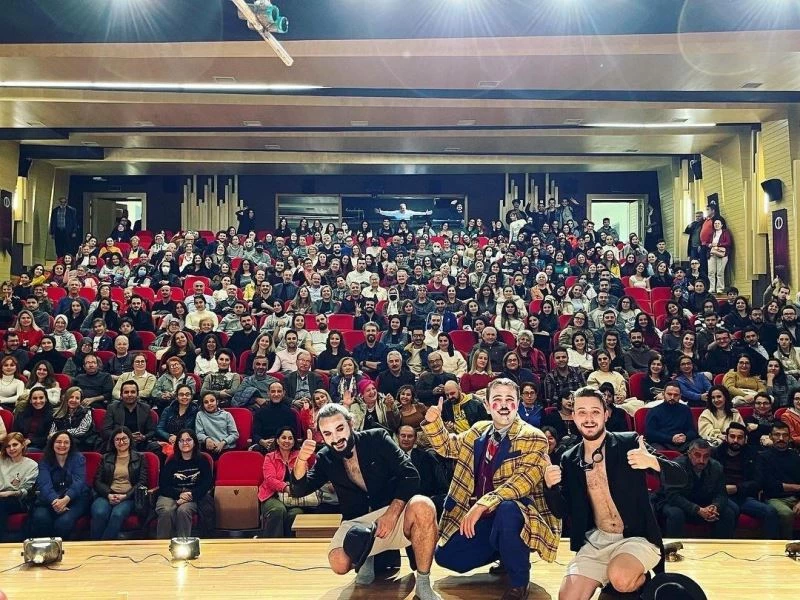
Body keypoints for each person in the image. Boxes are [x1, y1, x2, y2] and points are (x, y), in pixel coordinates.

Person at [423, 377, 559, 600]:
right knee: (445, 557)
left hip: (520, 514)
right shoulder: (478, 430)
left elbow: (521, 483)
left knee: (507, 509)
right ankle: (505, 553)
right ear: (486, 405)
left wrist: (481, 504)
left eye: (509, 399)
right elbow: (448, 447)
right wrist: (433, 423)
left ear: (518, 404)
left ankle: (519, 581)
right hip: (486, 518)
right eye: (497, 399)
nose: (504, 404)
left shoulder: (534, 437)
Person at [543, 387, 686, 599]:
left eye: (595, 412)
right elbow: (562, 511)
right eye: (582, 412)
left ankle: (638, 581)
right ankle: (614, 580)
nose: (588, 419)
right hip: (596, 540)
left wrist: (652, 462)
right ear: (573, 416)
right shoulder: (569, 458)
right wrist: (550, 487)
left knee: (621, 579)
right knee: (568, 597)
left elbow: (681, 477)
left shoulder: (629, 442)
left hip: (636, 537)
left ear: (606, 414)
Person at [290, 404, 442, 600]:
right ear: (322, 436)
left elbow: (410, 475)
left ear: (351, 424)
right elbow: (299, 490)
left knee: (424, 505)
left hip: (392, 514)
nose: (336, 438)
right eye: (327, 433)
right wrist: (301, 460)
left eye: (340, 428)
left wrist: (392, 514)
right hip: (357, 523)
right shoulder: (325, 457)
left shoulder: (377, 438)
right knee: (338, 563)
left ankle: (423, 584)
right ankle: (366, 555)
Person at [658, 438, 739, 539]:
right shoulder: (675, 467)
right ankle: (673, 547)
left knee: (728, 513)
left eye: (706, 456)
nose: (701, 460)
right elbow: (672, 496)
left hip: (703, 502)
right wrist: (697, 509)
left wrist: (715, 506)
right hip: (678, 503)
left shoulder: (716, 467)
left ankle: (720, 547)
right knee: (675, 514)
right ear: (689, 454)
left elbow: (721, 493)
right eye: (697, 455)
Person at [713, 423, 779, 538]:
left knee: (770, 512)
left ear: (745, 439)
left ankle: (770, 548)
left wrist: (737, 488)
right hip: (721, 496)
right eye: (732, 436)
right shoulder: (715, 453)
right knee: (730, 511)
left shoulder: (753, 455)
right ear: (726, 438)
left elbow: (758, 482)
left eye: (740, 437)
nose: (735, 440)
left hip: (744, 496)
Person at [90, 426, 148, 540]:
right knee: (99, 512)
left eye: (124, 438)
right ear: (113, 441)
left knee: (117, 514)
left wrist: (125, 496)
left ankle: (103, 546)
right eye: (117, 439)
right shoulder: (106, 458)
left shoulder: (140, 458)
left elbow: (142, 482)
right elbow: (97, 481)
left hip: (129, 497)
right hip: (107, 495)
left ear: (130, 439)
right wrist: (108, 494)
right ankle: (94, 543)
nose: (121, 442)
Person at [30, 431, 91, 539]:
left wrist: (65, 500)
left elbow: (79, 482)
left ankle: (62, 548)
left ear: (70, 445)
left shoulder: (78, 458)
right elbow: (44, 484)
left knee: (64, 522)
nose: (62, 445)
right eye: (58, 442)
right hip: (50, 499)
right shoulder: (44, 460)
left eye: (66, 442)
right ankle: (46, 548)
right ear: (52, 443)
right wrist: (56, 501)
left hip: (75, 498)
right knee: (41, 517)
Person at [258, 425, 315, 538]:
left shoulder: (300, 456)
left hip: (295, 498)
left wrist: (294, 490)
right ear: (277, 440)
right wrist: (286, 488)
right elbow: (270, 480)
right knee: (278, 510)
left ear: (294, 442)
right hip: (272, 496)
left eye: (290, 438)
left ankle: (291, 546)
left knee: (295, 514)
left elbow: (304, 477)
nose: (287, 441)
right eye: (283, 438)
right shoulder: (270, 457)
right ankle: (272, 545)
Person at [155, 429, 213, 538]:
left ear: (194, 442)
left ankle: (183, 544)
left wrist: (191, 495)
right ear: (177, 444)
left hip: (193, 495)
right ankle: (162, 544)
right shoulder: (171, 462)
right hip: (171, 494)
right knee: (166, 511)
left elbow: (207, 484)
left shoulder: (202, 460)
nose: (185, 443)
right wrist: (179, 495)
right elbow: (163, 485)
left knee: (183, 510)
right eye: (181, 440)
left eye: (188, 440)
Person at [761, 421, 800, 539]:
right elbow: (769, 485)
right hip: (774, 498)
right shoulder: (763, 457)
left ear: (789, 437)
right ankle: (786, 545)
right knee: (786, 513)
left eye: (785, 435)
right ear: (770, 436)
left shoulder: (795, 456)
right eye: (777, 435)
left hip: (796, 497)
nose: (781, 438)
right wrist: (796, 487)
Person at [102, 381, 158, 453]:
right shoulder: (112, 408)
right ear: (121, 395)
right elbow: (106, 431)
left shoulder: (145, 408)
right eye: (126, 392)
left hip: (139, 444)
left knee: (156, 447)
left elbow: (152, 431)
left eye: (133, 392)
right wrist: (126, 437)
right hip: (118, 444)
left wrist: (144, 437)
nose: (129, 395)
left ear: (137, 394)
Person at [0, 432, 38, 536]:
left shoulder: (32, 465)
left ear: (22, 445)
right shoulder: (1, 460)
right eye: (8, 446)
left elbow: (26, 491)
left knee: (2, 503)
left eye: (15, 445)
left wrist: (8, 493)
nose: (11, 448)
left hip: (18, 499)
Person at [644, 382, 698, 451]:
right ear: (663, 394)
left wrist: (685, 437)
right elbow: (650, 433)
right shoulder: (654, 411)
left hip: (683, 443)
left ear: (680, 396)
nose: (672, 397)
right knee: (656, 450)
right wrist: (671, 439)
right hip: (662, 443)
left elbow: (692, 431)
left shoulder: (686, 409)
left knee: (700, 447)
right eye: (669, 394)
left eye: (676, 395)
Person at [49, 386, 100, 451]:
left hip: (83, 443)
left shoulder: (86, 411)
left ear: (80, 400)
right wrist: (54, 435)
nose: (74, 400)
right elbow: (52, 432)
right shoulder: (57, 413)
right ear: (66, 398)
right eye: (71, 397)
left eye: (77, 398)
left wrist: (61, 433)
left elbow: (82, 430)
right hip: (62, 442)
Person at [195, 392, 239, 457]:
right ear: (203, 405)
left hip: (226, 448)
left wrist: (223, 442)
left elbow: (235, 434)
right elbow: (199, 433)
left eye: (212, 401)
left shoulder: (226, 415)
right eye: (206, 402)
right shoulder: (200, 415)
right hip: (209, 448)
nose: (209, 403)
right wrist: (207, 439)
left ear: (217, 402)